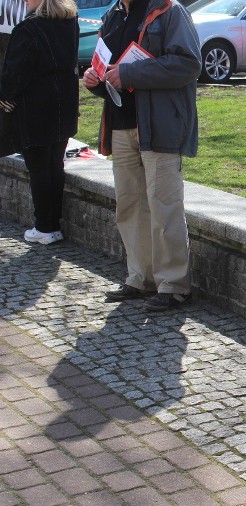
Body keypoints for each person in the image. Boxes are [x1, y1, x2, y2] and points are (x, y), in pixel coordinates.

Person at [81, 0, 201, 312]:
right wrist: (95, 79)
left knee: (164, 206)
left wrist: (130, 73)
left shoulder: (171, 11)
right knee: (129, 204)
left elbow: (188, 65)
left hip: (160, 126)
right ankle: (140, 277)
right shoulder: (112, 16)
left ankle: (174, 285)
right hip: (121, 125)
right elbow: (109, 70)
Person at [0, 0, 79, 245]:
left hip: (35, 107)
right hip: (63, 104)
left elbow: (15, 73)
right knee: (55, 164)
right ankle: (51, 225)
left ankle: (45, 225)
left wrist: (4, 96)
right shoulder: (69, 23)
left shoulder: (29, 29)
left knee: (39, 168)